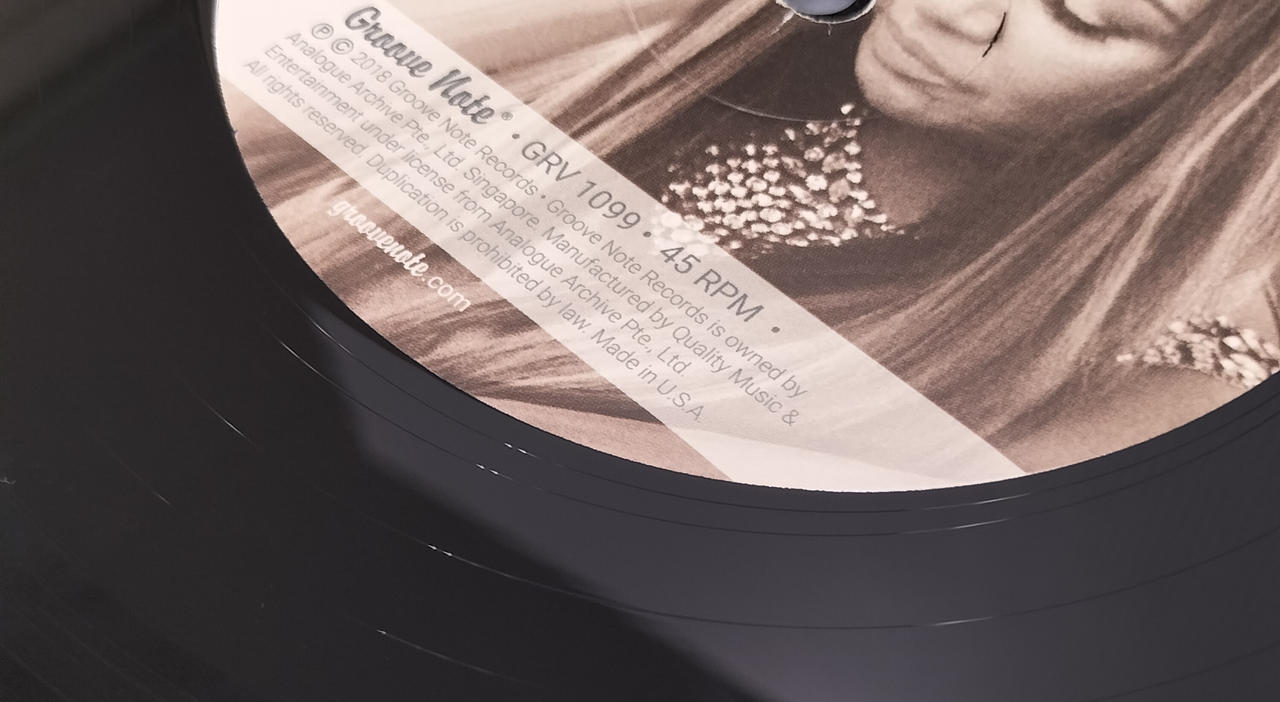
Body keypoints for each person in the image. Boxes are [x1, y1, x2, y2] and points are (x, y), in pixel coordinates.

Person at [234, 0, 1280, 479]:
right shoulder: (726, 39)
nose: (948, 11)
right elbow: (254, 110)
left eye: (1078, 17)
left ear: (1211, 108)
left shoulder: (1172, 384)